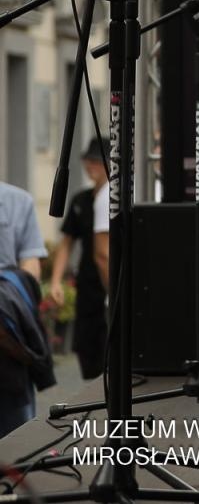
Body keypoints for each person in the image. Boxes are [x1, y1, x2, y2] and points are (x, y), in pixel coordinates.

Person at [51, 139, 109, 380]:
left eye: (96, 162)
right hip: (87, 283)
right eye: (88, 161)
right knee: (87, 347)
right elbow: (66, 244)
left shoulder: (115, 199)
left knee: (109, 346)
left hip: (108, 279)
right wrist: (55, 281)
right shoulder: (81, 200)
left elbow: (104, 254)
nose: (90, 167)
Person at [0, 178, 52, 435]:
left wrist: (14, 301)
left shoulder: (17, 200)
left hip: (6, 336)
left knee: (14, 431)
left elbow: (30, 268)